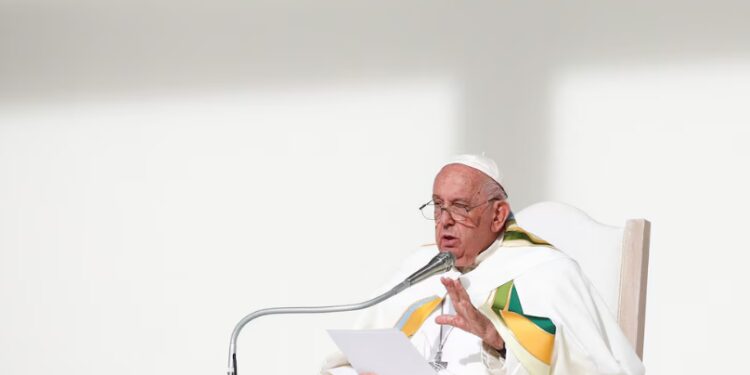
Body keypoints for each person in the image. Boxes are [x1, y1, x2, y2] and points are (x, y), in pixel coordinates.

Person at [321, 154, 645, 375]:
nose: (445, 222)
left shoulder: (547, 273)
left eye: (460, 207)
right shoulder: (418, 269)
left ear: (498, 215)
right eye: (437, 207)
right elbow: (355, 357)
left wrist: (499, 341)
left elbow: (590, 365)